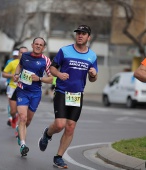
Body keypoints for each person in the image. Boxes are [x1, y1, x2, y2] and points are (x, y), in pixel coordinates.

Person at [38, 25, 98, 169]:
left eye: (83, 34)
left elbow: (93, 78)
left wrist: (93, 75)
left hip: (77, 95)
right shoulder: (64, 50)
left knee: (70, 127)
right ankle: (47, 133)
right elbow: (52, 68)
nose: (80, 36)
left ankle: (58, 157)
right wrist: (59, 74)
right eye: (78, 33)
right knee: (59, 125)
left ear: (88, 37)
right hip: (62, 91)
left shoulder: (92, 56)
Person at [14, 37, 53, 157]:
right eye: (36, 44)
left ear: (44, 48)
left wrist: (39, 78)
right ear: (32, 45)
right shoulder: (24, 56)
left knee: (28, 121)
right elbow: (19, 66)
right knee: (23, 117)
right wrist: (16, 74)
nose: (38, 46)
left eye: (41, 45)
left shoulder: (46, 60)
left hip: (35, 93)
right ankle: (23, 145)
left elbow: (51, 79)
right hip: (22, 90)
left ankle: (19, 131)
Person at [2, 47, 28, 129]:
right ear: (19, 54)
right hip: (12, 87)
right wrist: (12, 76)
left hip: (24, 89)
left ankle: (19, 127)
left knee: (21, 111)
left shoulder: (29, 64)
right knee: (13, 110)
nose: (22, 54)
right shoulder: (12, 63)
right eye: (21, 52)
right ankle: (13, 117)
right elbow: (4, 74)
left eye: (25, 53)